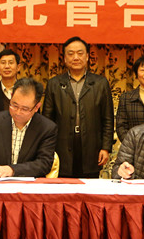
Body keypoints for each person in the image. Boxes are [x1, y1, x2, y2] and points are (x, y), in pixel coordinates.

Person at [42, 37, 114, 178]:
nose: (75, 57)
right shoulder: (54, 84)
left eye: (80, 53)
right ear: (64, 58)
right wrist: (47, 149)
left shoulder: (100, 83)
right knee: (63, 187)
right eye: (71, 53)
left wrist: (105, 148)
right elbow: (47, 120)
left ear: (87, 57)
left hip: (92, 147)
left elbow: (107, 119)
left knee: (89, 186)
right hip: (62, 147)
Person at [115, 55, 144, 143]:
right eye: (142, 70)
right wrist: (131, 145)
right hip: (132, 147)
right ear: (136, 73)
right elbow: (121, 126)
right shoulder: (126, 98)